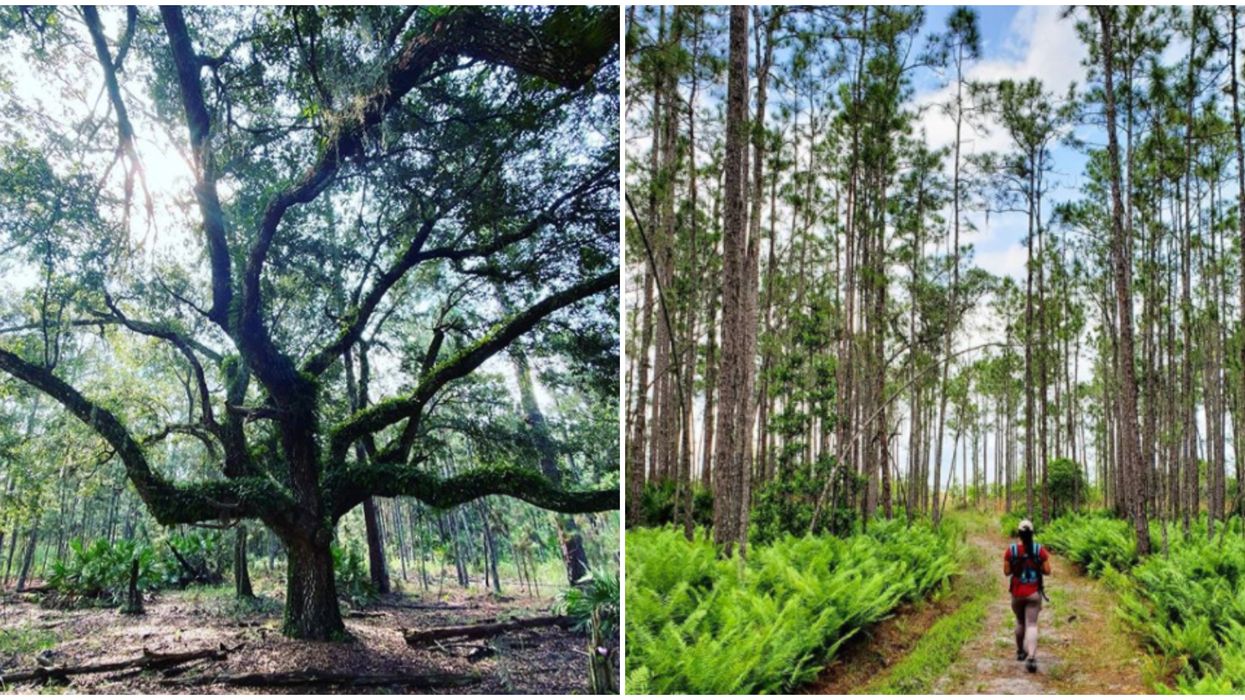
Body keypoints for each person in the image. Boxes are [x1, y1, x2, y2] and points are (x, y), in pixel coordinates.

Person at [1003, 518, 1050, 673]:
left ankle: (1020, 651)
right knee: (1032, 624)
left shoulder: (1011, 551)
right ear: (1032, 533)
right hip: (1034, 593)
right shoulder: (1039, 550)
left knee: (1020, 621)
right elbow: (1048, 571)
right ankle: (1031, 656)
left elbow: (1006, 572)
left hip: (1017, 593)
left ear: (1019, 534)